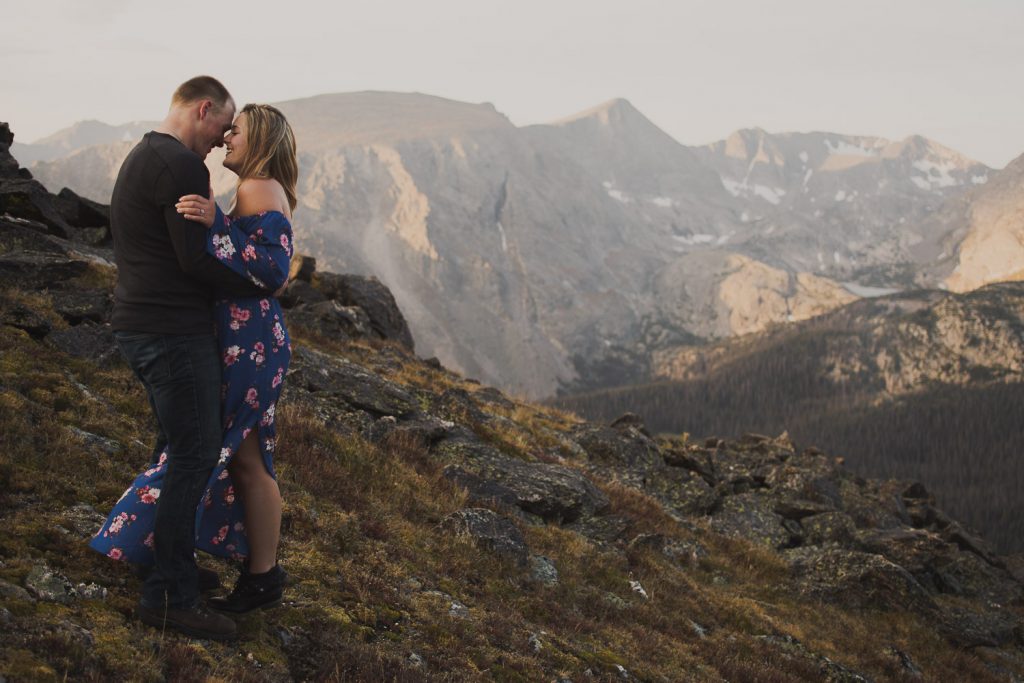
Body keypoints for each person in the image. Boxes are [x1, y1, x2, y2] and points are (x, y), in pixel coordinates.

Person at [91, 101, 297, 633]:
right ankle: (257, 574)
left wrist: (216, 223)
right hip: (247, 340)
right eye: (228, 128)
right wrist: (221, 222)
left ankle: (260, 574)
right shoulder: (255, 188)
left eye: (239, 131)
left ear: (264, 140)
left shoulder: (256, 188)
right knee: (246, 458)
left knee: (235, 456)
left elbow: (273, 270)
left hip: (248, 342)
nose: (228, 137)